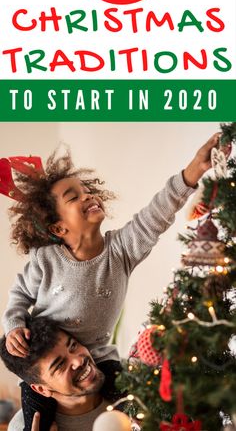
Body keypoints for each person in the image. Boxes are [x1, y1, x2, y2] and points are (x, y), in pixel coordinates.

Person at [1, 133, 220, 430]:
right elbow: (19, 294)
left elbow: (156, 214)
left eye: (87, 190)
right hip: (45, 353)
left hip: (101, 358)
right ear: (58, 227)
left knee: (140, 405)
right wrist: (14, 325)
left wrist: (193, 170)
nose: (88, 196)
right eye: (73, 197)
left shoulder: (121, 250)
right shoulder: (46, 259)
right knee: (35, 423)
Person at [0, 317, 110, 431]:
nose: (78, 361)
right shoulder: (20, 427)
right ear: (42, 389)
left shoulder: (127, 383)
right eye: (59, 365)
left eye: (73, 346)